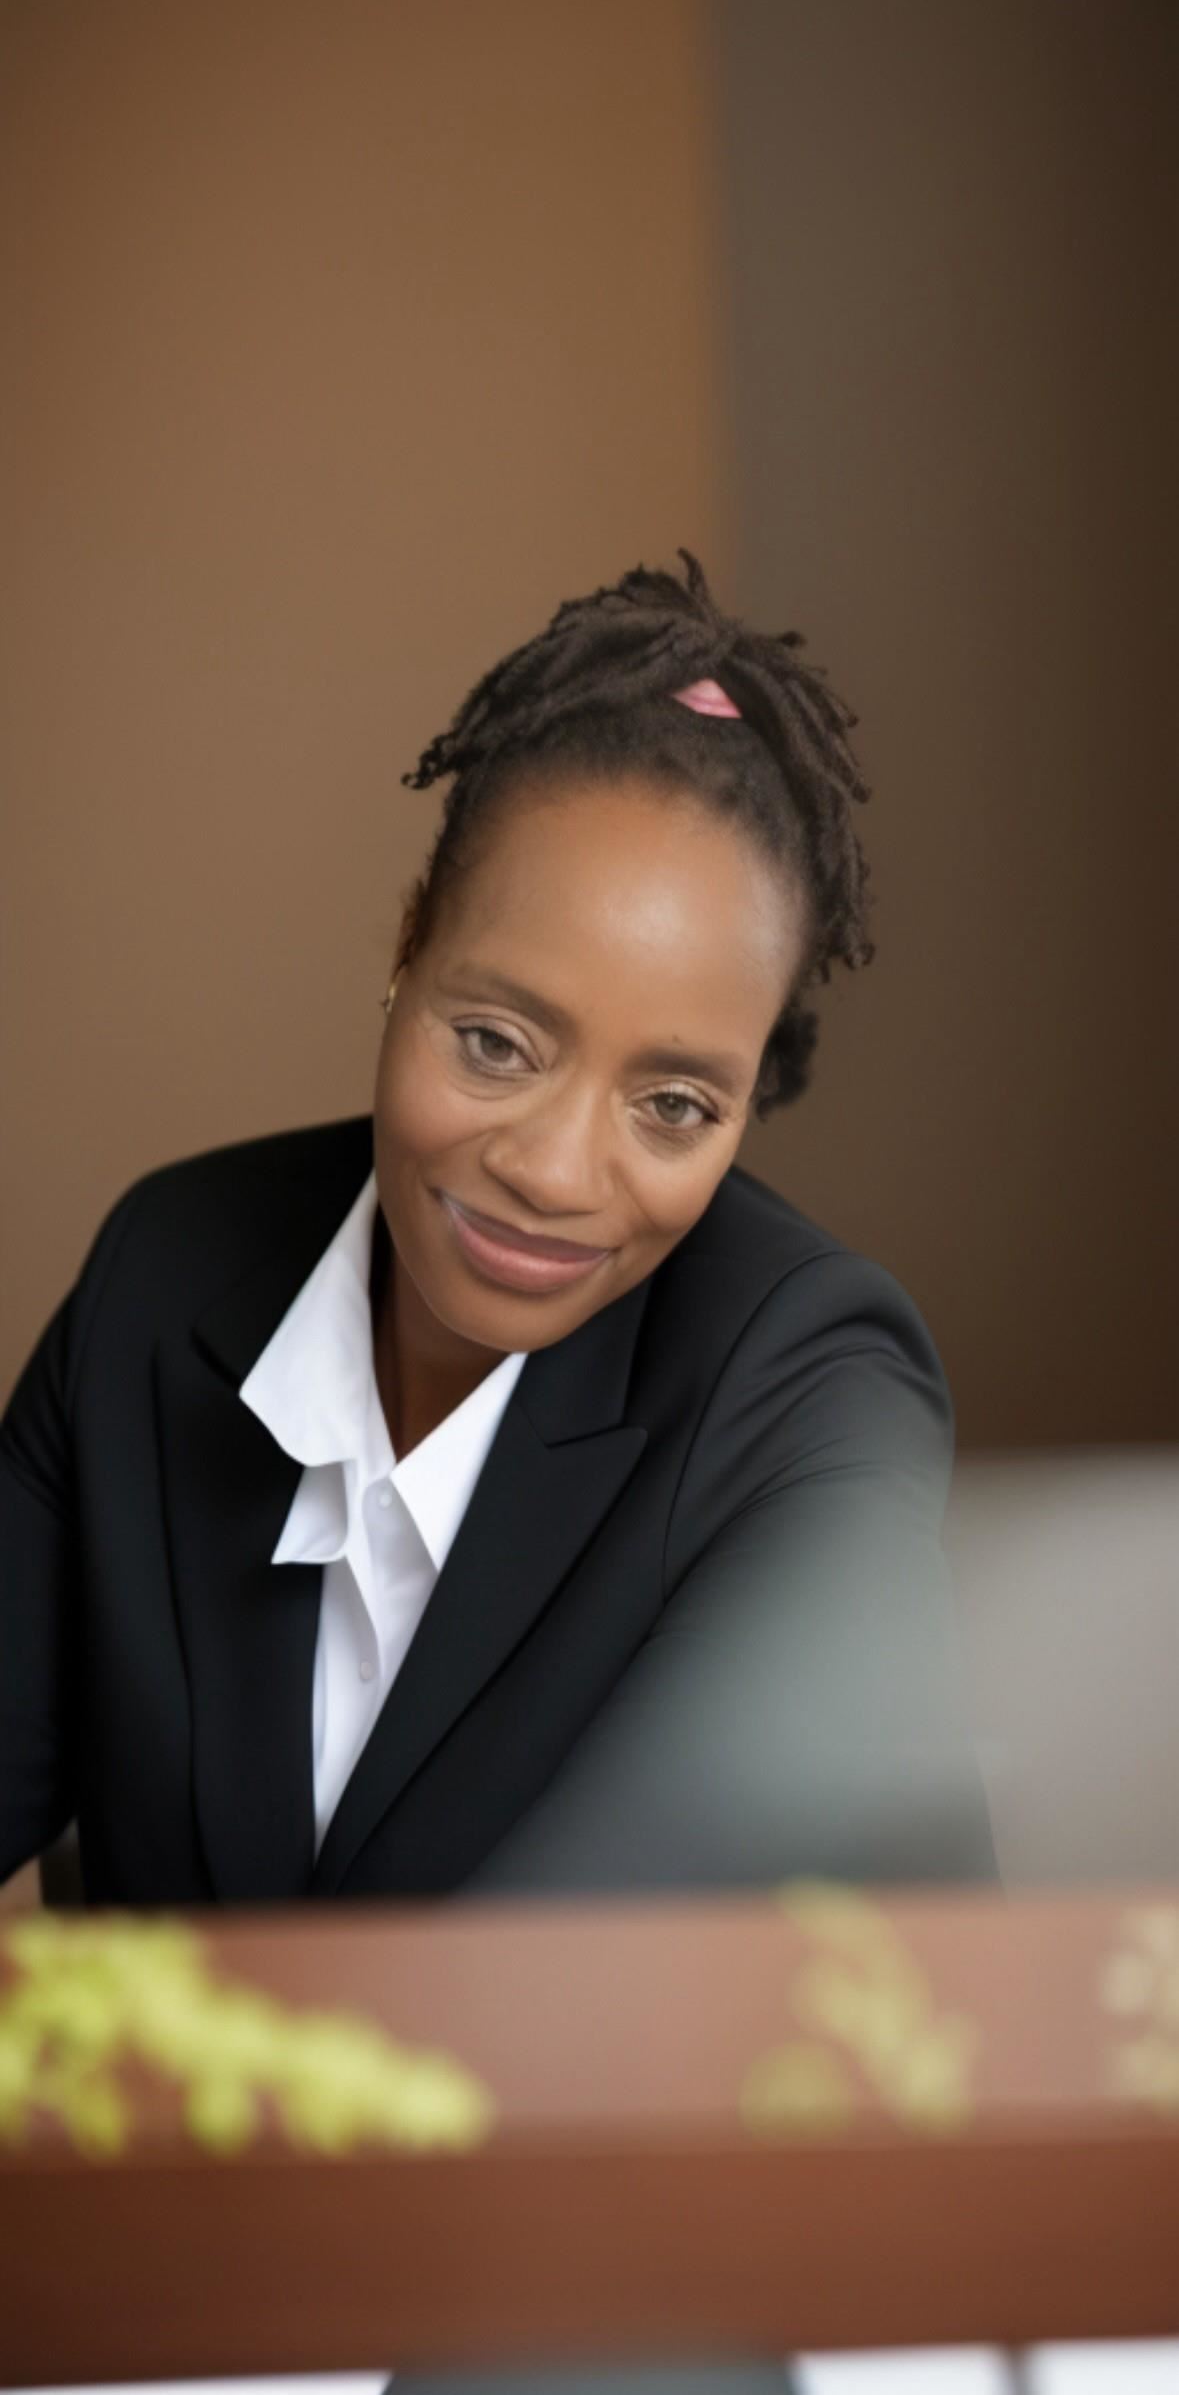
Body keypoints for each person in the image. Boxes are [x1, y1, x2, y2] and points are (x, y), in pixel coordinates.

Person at [0, 552, 995, 1904]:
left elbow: (870, 1975)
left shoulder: (811, 1391)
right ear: (409, 944)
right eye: (495, 1042)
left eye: (675, 1106)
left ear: (751, 1091)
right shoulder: (164, 1276)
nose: (553, 1171)